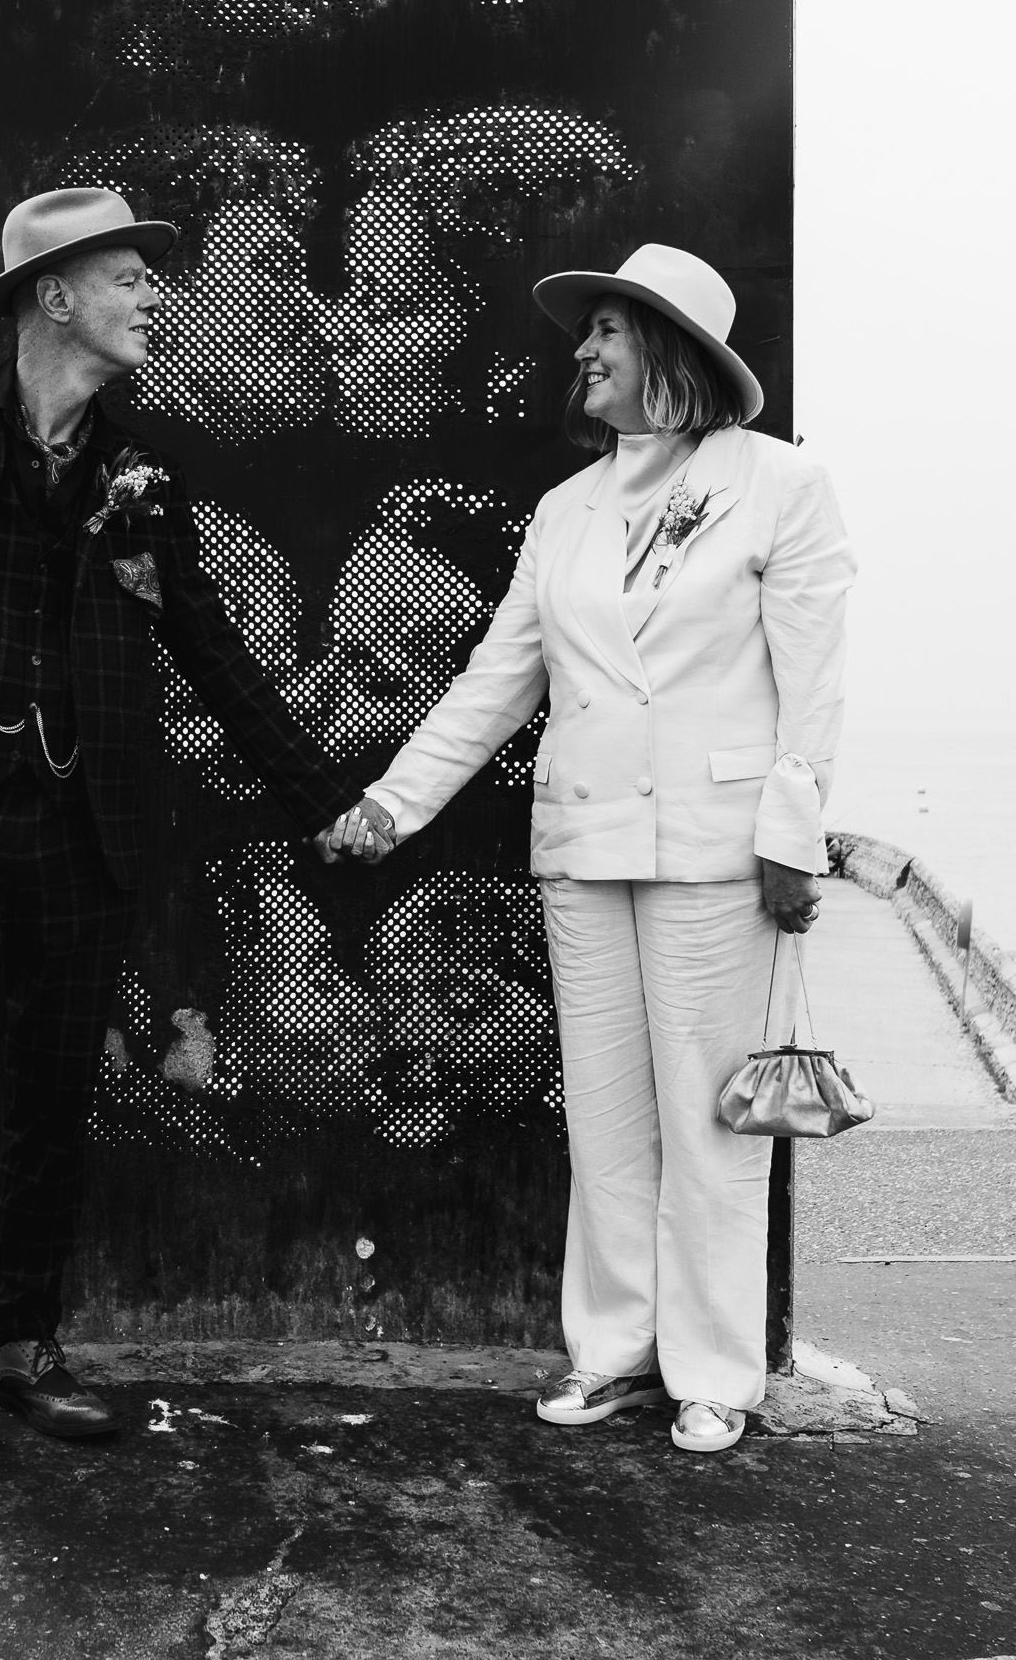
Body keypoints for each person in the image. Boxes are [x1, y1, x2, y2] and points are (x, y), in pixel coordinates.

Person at [0, 186, 358, 1472]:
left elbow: (210, 648)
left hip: (79, 832)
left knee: (49, 1099)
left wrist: (326, 797)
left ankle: (21, 1350)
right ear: (55, 294)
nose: (154, 296)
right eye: (129, 277)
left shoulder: (140, 475)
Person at [324, 244, 856, 1454]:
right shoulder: (564, 510)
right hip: (582, 839)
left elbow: (813, 685)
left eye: (608, 329)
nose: (583, 349)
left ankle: (715, 1370)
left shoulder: (780, 484)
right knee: (606, 1121)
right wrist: (391, 803)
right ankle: (614, 1351)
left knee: (711, 1119)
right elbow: (499, 680)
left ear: (668, 347)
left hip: (720, 849)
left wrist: (794, 834)